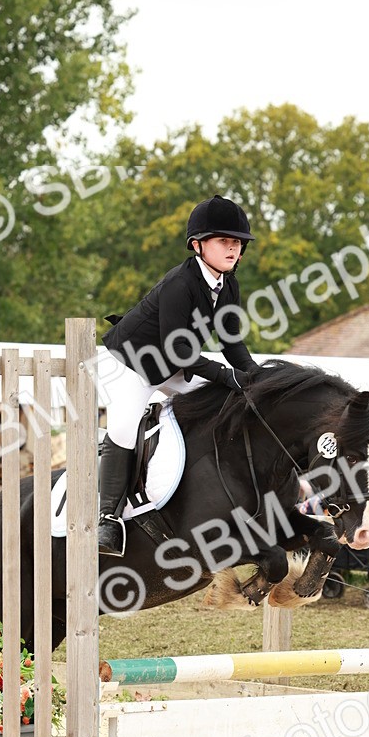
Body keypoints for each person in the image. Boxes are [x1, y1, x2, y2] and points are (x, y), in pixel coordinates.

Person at [97, 194, 257, 554]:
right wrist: (223, 374)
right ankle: (106, 518)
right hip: (135, 360)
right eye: (224, 242)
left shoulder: (228, 284)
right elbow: (175, 347)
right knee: (123, 426)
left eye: (237, 243)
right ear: (198, 245)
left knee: (224, 403)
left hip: (174, 364)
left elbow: (232, 342)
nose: (233, 249)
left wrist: (255, 377)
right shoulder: (180, 283)